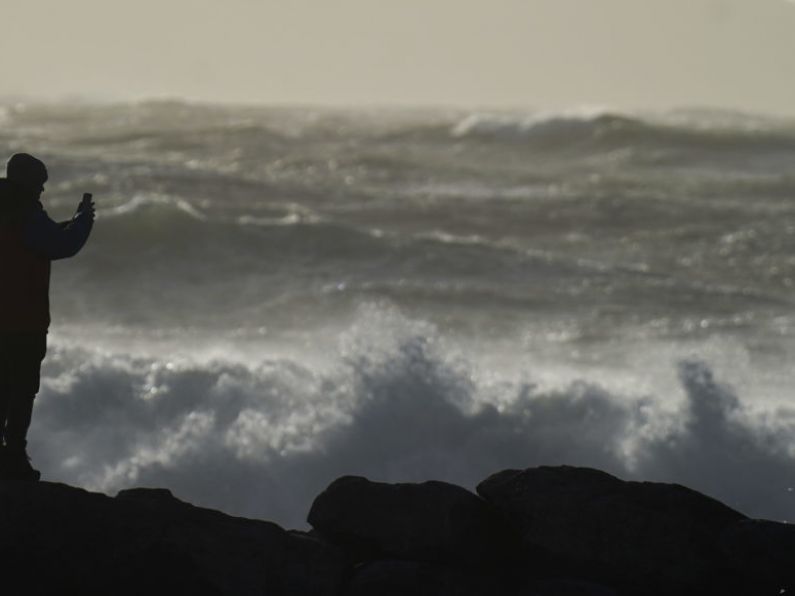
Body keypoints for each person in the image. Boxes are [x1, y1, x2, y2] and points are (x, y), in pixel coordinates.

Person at [0, 153, 95, 481]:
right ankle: (13, 457)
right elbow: (61, 245)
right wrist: (83, 221)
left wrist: (63, 226)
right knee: (22, 390)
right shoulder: (25, 213)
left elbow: (41, 239)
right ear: (26, 181)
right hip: (23, 321)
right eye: (39, 184)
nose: (41, 190)